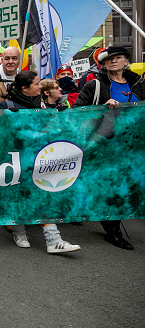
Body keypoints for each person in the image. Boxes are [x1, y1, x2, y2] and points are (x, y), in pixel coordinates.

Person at [0, 71, 82, 253]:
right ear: (24, 88)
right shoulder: (7, 105)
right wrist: (7, 117)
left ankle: (53, 239)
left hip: (39, 161)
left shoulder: (43, 106)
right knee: (18, 195)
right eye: (36, 84)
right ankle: (20, 232)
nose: (40, 86)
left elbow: (51, 131)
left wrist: (57, 116)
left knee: (43, 194)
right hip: (15, 161)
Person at [74, 45, 143, 250]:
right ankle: (113, 230)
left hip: (132, 146)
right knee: (110, 186)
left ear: (125, 61)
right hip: (104, 144)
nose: (113, 61)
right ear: (103, 63)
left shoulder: (139, 85)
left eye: (118, 57)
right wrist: (102, 106)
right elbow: (78, 111)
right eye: (109, 59)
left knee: (129, 186)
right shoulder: (95, 86)